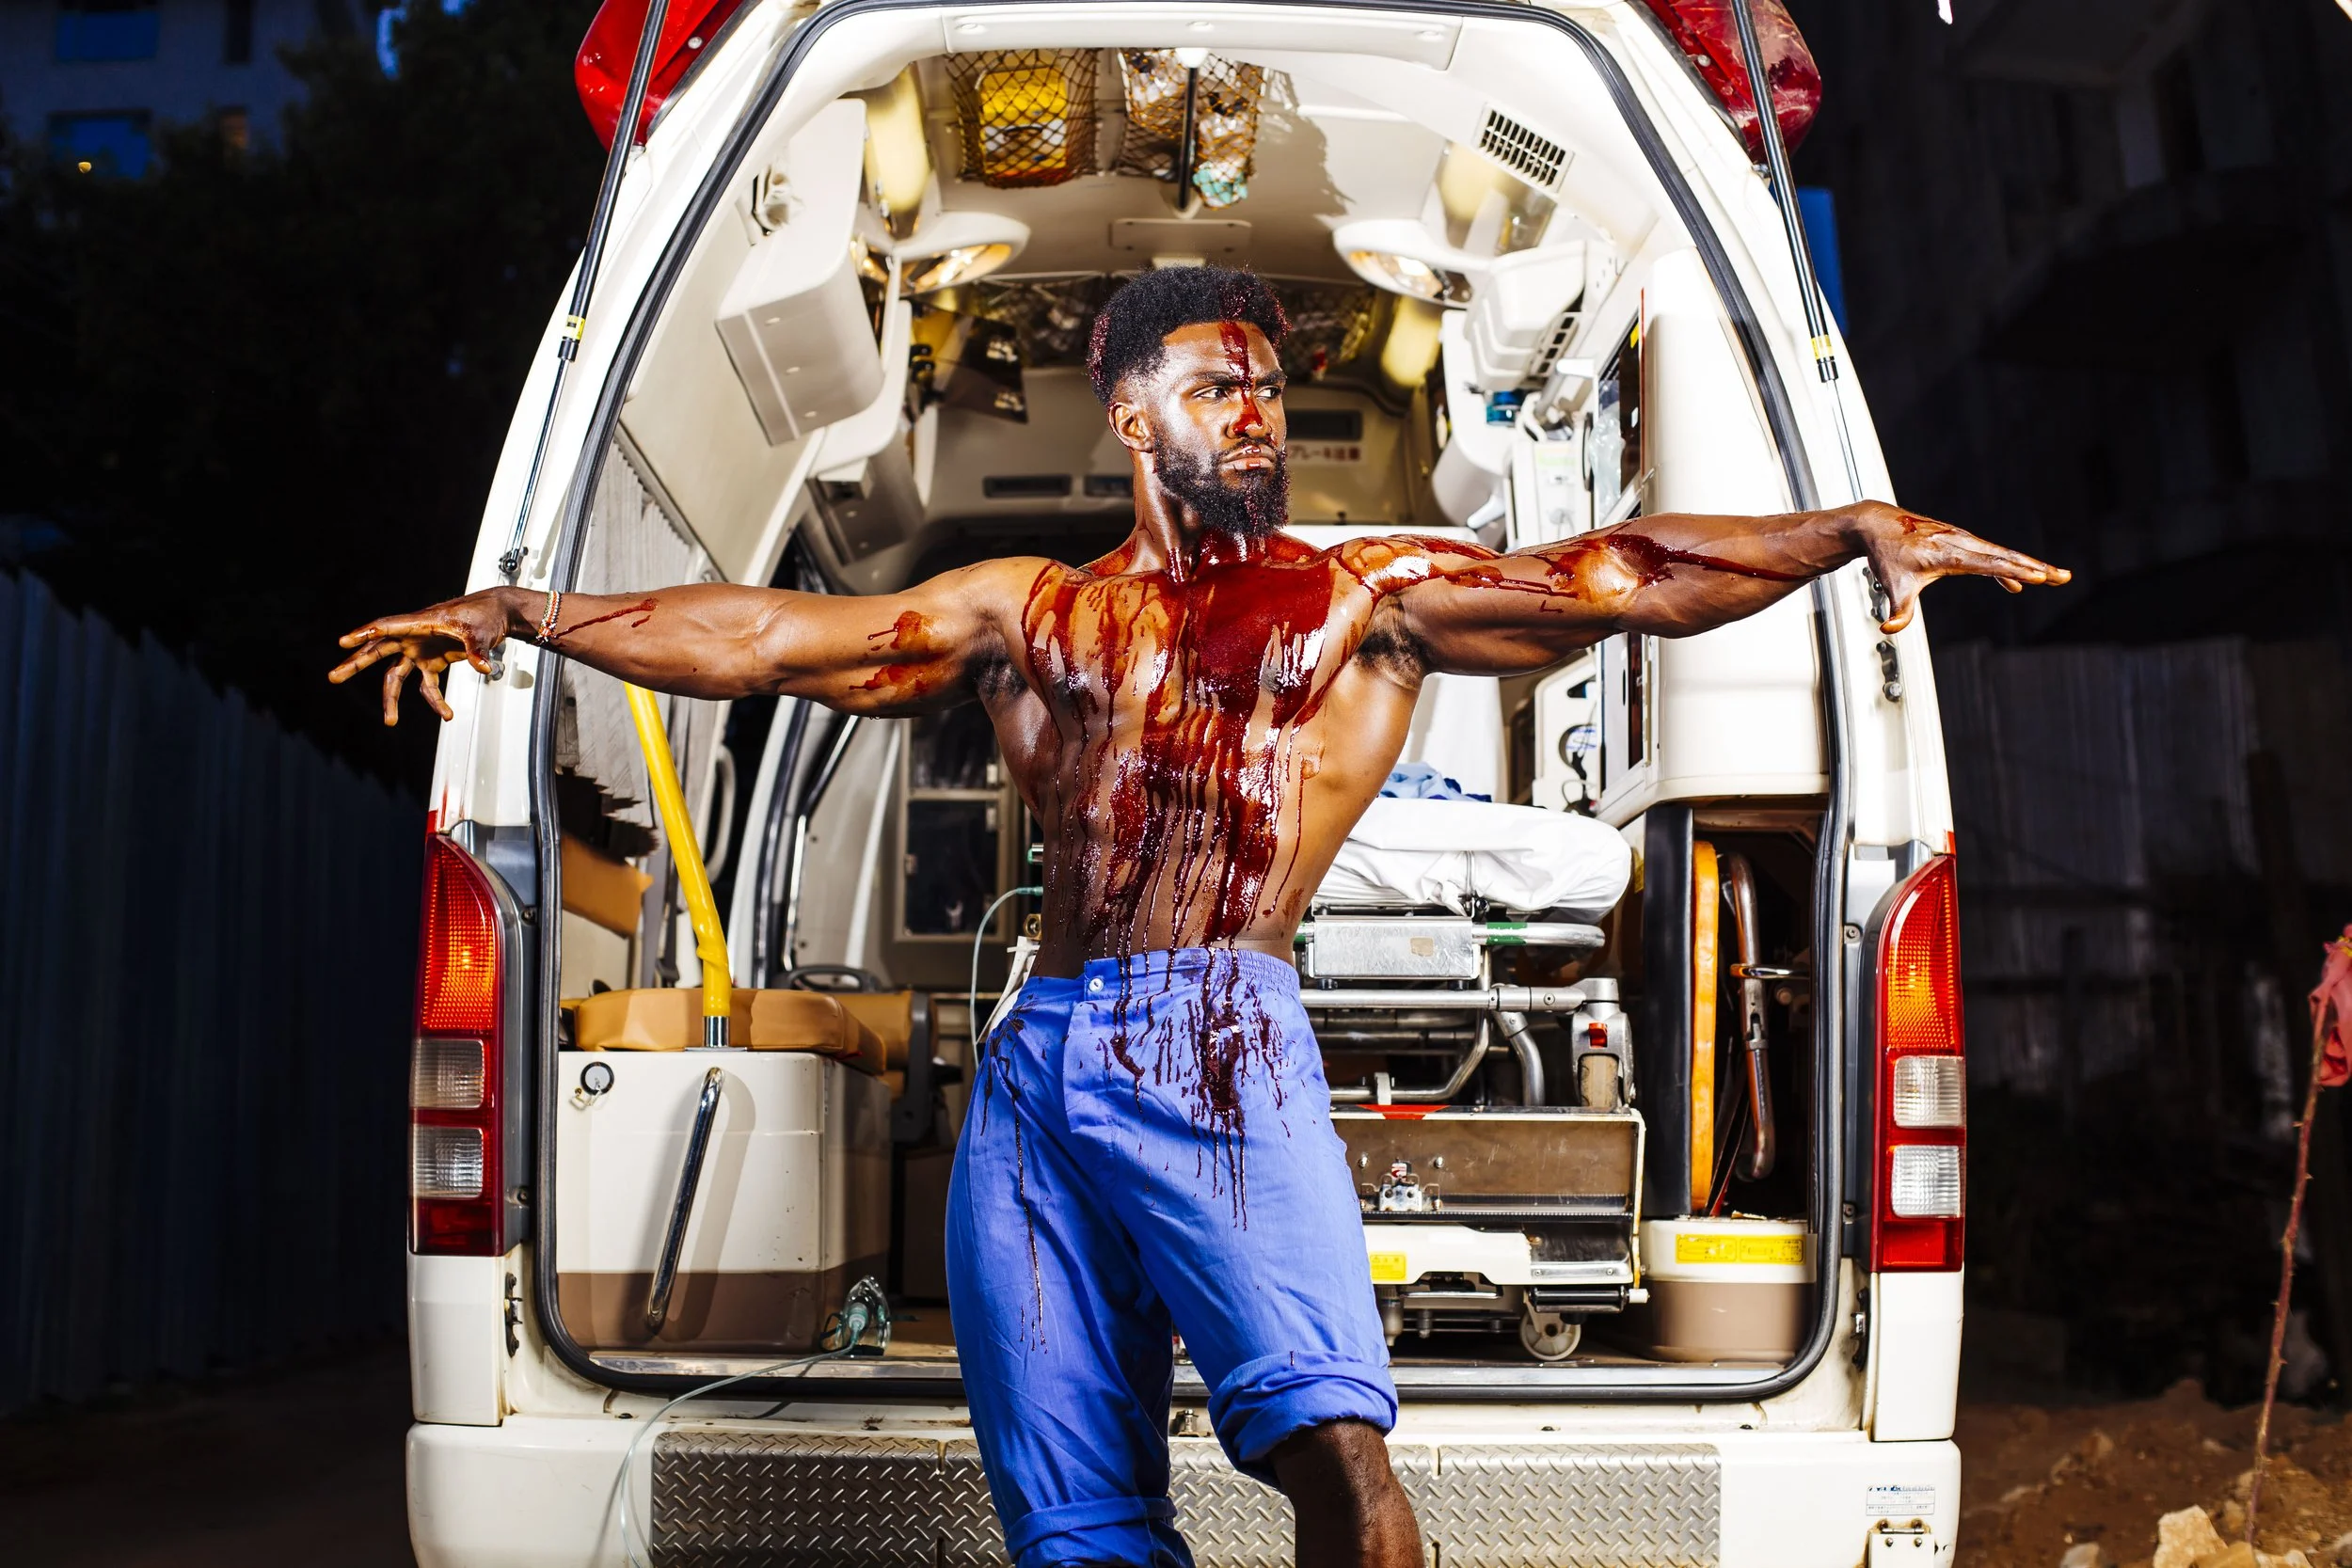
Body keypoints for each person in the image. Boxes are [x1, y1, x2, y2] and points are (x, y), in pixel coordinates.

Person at [331, 265, 2065, 1568]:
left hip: (1219, 1040)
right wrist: (528, 613)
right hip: (1040, 1063)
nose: (1260, 410)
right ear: (1131, 416)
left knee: (1335, 1459)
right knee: (1075, 1521)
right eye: (1220, 386)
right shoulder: (1035, 609)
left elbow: (1613, 573)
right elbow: (775, 640)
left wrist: (1846, 529)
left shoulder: (1361, 603)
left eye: (1268, 388)